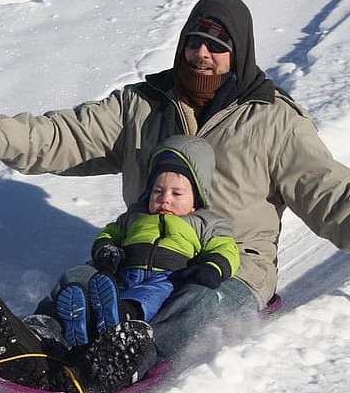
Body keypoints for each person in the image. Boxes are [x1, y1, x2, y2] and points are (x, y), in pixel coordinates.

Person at [0, 0, 350, 392]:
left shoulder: (274, 122)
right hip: (142, 250)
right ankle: (36, 339)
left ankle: (131, 353)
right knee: (85, 282)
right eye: (194, 42)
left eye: (217, 46)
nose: (202, 55)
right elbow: (63, 134)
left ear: (240, 54)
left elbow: (333, 197)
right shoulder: (142, 105)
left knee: (203, 305)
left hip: (226, 265)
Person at [55, 135, 239, 351]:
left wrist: (212, 268)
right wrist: (107, 249)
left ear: (195, 199)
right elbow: (109, 234)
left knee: (147, 297)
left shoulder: (206, 223)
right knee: (95, 287)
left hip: (167, 279)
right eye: (158, 191)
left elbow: (226, 249)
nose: (165, 199)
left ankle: (121, 321)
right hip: (123, 276)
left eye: (176, 193)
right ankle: (80, 326)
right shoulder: (134, 217)